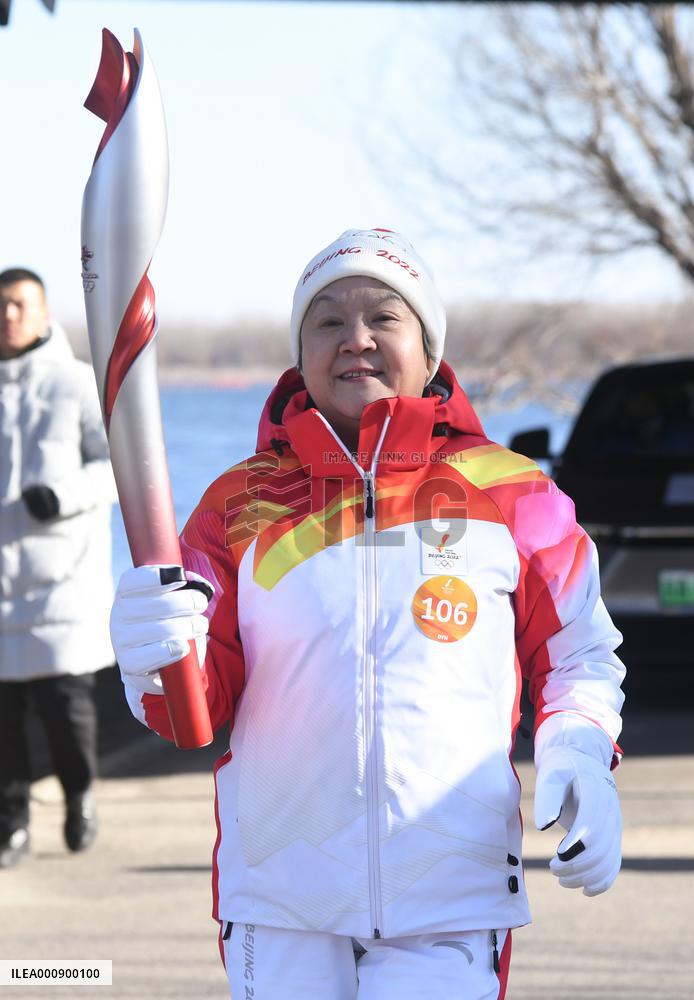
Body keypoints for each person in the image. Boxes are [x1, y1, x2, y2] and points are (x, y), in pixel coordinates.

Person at [110, 229, 625, 999]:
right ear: (300, 353)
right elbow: (192, 713)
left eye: (384, 317)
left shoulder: (514, 493)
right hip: (280, 900)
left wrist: (582, 752)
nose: (355, 340)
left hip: (451, 890)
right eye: (327, 322)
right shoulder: (237, 504)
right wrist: (150, 658)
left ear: (427, 345)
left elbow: (578, 654)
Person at [0, 267, 116, 868]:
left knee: (66, 708)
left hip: (61, 584)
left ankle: (79, 796)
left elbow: (118, 468)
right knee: (4, 721)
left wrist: (62, 495)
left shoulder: (77, 384)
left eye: (20, 305)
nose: (10, 315)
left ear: (44, 313)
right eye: (2, 306)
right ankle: (12, 825)